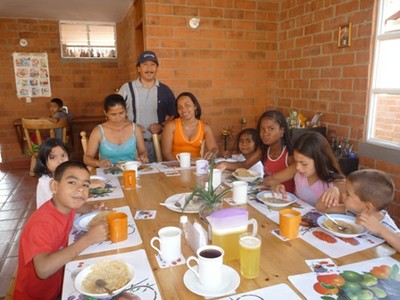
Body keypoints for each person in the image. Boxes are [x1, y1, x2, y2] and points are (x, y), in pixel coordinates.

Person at [14, 161, 109, 299]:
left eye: (85, 185)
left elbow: (76, 206)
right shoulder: (41, 223)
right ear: (54, 186)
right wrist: (88, 239)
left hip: (60, 283)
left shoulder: (65, 205)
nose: (80, 189)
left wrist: (91, 208)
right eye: (72, 182)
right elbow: (43, 269)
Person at [317, 169, 400, 252]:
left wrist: (381, 230)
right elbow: (321, 209)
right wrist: (331, 191)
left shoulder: (385, 224)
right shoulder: (353, 210)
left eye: (348, 194)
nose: (343, 195)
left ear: (367, 207)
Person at [118, 50, 176, 162]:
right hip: (131, 143)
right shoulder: (127, 88)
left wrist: (162, 126)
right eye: (145, 65)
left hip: (156, 143)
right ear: (138, 68)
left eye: (152, 65)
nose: (149, 69)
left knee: (155, 176)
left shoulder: (164, 90)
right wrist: (131, 126)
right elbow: (115, 113)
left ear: (156, 68)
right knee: (133, 174)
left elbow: (174, 114)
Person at [273, 131, 344, 206]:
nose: (298, 167)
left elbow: (349, 211)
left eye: (304, 164)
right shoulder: (298, 171)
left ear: (319, 160)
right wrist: (277, 188)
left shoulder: (336, 183)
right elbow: (272, 180)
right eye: (296, 161)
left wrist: (335, 190)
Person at [35, 138, 106, 210]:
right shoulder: (45, 182)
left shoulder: (65, 173)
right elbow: (64, 202)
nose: (60, 161)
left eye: (63, 156)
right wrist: (86, 186)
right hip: (52, 219)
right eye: (53, 157)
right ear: (43, 162)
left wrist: (92, 208)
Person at [84, 94, 148, 168]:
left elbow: (143, 151)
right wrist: (98, 163)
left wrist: (143, 156)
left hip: (131, 170)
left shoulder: (135, 128)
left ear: (126, 110)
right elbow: (87, 158)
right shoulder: (98, 131)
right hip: (108, 174)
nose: (118, 118)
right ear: (105, 113)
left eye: (121, 113)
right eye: (113, 114)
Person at [162, 92, 218, 161]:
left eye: (187, 105)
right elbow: (166, 153)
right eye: (180, 107)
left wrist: (212, 152)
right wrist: (181, 166)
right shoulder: (171, 126)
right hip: (174, 167)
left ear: (195, 106)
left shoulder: (205, 127)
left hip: (195, 167)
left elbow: (214, 148)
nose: (184, 110)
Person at [258, 110, 296, 193]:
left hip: (285, 199)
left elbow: (271, 180)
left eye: (270, 129)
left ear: (281, 131)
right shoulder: (265, 150)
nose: (265, 133)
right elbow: (245, 164)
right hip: (267, 196)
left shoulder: (289, 155)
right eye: (262, 129)